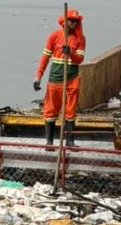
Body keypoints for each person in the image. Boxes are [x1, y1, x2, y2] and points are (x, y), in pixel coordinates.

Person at [34, 9, 86, 147]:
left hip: (72, 78)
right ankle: (49, 142)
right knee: (50, 110)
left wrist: (71, 53)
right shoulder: (54, 36)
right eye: (72, 20)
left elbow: (79, 60)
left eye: (76, 21)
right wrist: (38, 76)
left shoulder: (80, 39)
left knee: (70, 110)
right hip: (55, 78)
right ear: (65, 21)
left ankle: (69, 142)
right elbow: (45, 57)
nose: (74, 23)